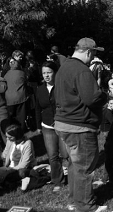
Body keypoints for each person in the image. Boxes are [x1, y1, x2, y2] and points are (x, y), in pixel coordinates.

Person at [54, 37, 108, 212]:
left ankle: (74, 201)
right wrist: (105, 96)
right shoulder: (82, 70)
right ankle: (86, 206)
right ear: (88, 51)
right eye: (93, 54)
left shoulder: (64, 67)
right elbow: (92, 97)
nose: (93, 58)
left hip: (64, 123)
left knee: (74, 165)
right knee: (85, 167)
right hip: (79, 126)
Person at [35, 60, 68, 192]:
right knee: (52, 155)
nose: (46, 75)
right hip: (47, 126)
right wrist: (38, 126)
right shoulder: (39, 89)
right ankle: (57, 181)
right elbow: (37, 108)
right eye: (44, 73)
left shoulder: (62, 87)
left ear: (55, 73)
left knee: (66, 154)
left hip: (63, 124)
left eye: (49, 72)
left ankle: (74, 177)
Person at [0, 124, 36, 188]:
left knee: (22, 173)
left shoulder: (27, 143)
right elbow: (5, 154)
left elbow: (24, 164)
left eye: (10, 137)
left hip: (22, 168)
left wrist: (9, 170)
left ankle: (9, 182)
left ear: (17, 136)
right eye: (6, 137)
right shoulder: (10, 141)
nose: (7, 139)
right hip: (10, 167)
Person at [4, 60, 29, 132]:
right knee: (21, 117)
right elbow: (26, 81)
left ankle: (11, 132)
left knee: (11, 118)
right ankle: (20, 132)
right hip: (20, 97)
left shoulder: (6, 74)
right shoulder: (21, 73)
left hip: (9, 99)